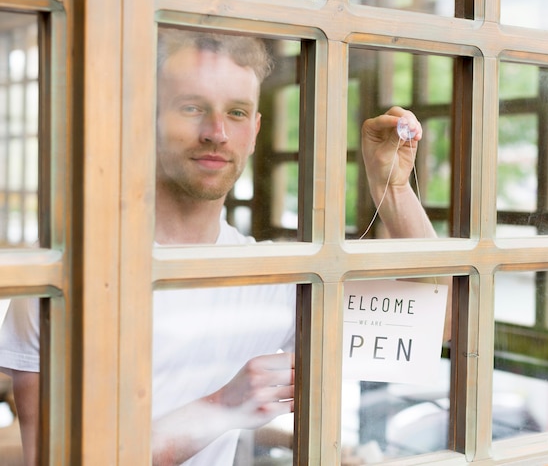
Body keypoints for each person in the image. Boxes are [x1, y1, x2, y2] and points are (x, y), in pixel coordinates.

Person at [0, 27, 440, 465]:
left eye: (236, 112)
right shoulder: (67, 268)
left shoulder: (270, 277)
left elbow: (433, 324)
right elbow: (53, 458)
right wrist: (223, 407)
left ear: (254, 130)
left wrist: (394, 189)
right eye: (192, 108)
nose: (216, 132)